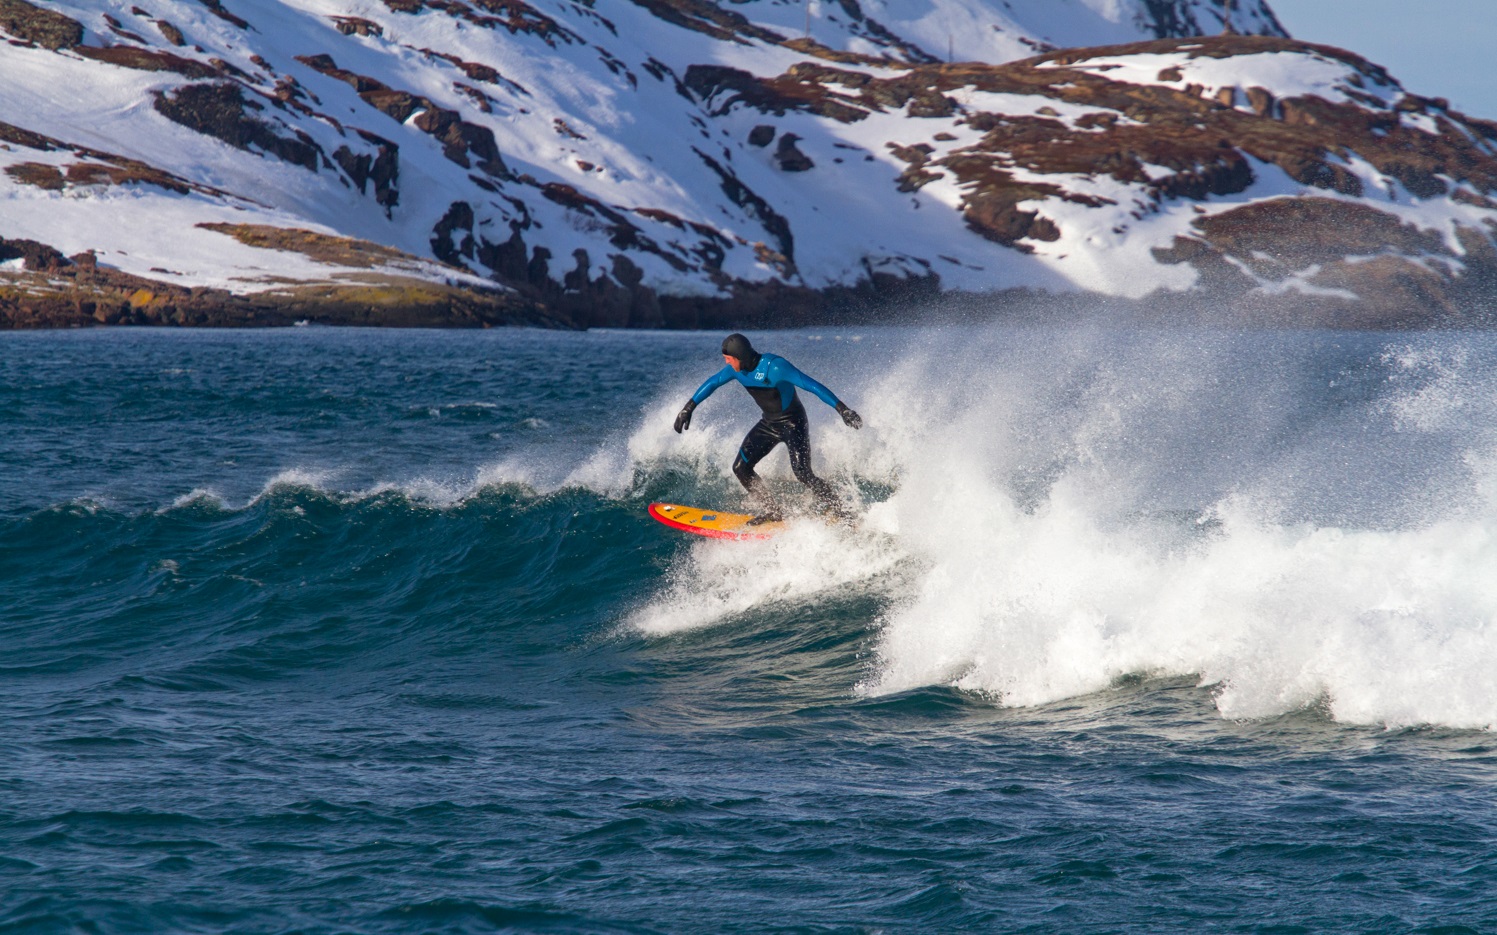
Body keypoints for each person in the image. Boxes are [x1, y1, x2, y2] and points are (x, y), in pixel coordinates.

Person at [672, 333, 861, 521]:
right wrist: (688, 409)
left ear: (740, 357)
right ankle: (772, 511)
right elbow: (713, 383)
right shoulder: (735, 371)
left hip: (793, 423)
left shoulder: (776, 366)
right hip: (769, 424)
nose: (727, 364)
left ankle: (840, 510)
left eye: (729, 360)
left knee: (803, 473)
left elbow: (812, 385)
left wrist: (843, 410)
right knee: (741, 468)